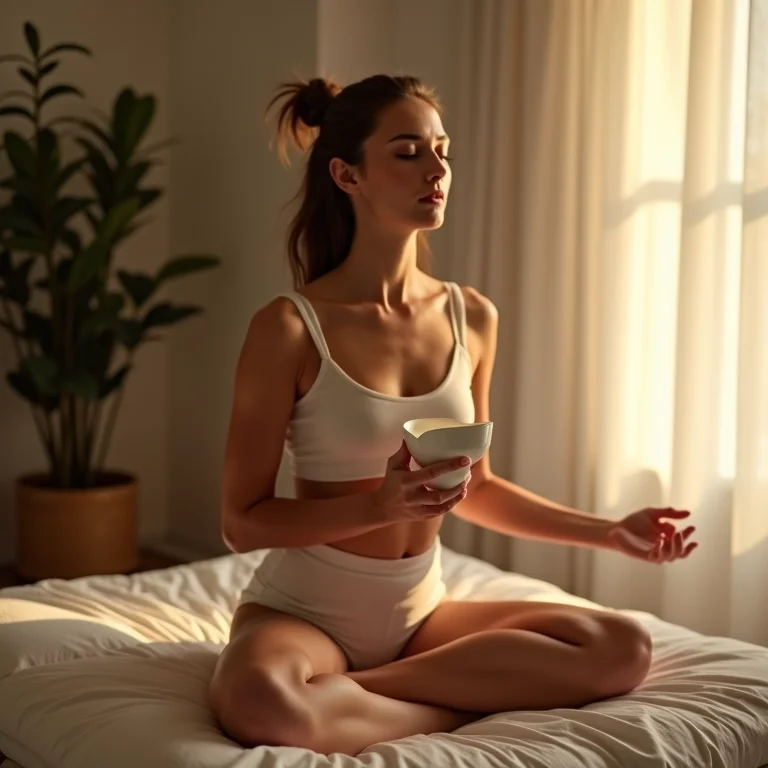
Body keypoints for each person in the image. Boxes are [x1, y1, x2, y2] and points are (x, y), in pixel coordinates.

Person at [209, 74, 698, 757]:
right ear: (348, 175)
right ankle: (443, 702)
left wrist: (610, 532)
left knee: (622, 646)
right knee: (260, 700)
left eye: (442, 151)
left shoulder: (472, 316)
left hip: (422, 614)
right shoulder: (289, 327)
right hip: (308, 612)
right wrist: (378, 506)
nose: (436, 170)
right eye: (408, 152)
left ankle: (356, 692)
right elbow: (242, 522)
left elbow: (480, 487)